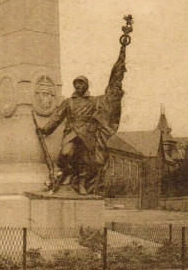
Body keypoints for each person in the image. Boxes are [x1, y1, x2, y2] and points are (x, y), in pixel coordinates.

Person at [38, 45, 127, 194]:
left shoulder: (94, 101)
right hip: (72, 132)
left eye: (81, 83)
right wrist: (45, 129)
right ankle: (66, 174)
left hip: (87, 134)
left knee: (86, 160)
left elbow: (109, 99)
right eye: (76, 83)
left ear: (86, 85)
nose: (78, 86)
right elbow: (57, 117)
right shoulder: (68, 102)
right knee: (66, 154)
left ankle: (81, 182)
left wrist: (116, 83)